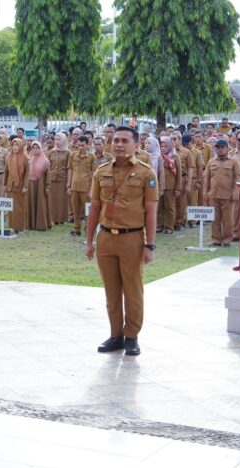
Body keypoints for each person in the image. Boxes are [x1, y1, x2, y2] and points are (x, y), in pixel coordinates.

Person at [85, 126, 158, 357]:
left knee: (133, 291)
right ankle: (115, 335)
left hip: (132, 238)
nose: (118, 144)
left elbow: (151, 211)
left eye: (125, 141)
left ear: (136, 145)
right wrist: (89, 241)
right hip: (106, 238)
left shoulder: (146, 173)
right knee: (112, 291)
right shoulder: (101, 171)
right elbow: (94, 208)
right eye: (115, 140)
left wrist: (150, 245)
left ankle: (131, 336)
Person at [204, 139, 240, 247]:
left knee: (228, 219)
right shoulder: (211, 162)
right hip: (213, 195)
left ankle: (226, 240)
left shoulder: (233, 161)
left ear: (227, 148)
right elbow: (206, 179)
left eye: (222, 147)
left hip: (227, 195)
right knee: (215, 219)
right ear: (215, 149)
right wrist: (205, 193)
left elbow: (238, 177)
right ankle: (216, 240)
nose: (220, 150)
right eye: (218, 147)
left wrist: (236, 191)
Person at [67, 136, 95, 236]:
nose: (80, 147)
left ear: (87, 145)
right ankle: (76, 229)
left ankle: (88, 229)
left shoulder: (91, 157)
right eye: (79, 145)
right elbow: (70, 170)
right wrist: (69, 185)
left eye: (83, 145)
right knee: (75, 209)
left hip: (86, 188)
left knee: (87, 210)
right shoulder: (73, 155)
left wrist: (91, 189)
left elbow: (94, 173)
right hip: (74, 186)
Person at [3, 138, 29, 233]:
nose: (15, 147)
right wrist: (4, 184)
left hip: (20, 186)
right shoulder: (8, 157)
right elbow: (6, 172)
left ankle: (21, 227)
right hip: (10, 185)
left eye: (17, 145)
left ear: (21, 146)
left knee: (20, 207)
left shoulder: (25, 157)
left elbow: (27, 173)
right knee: (11, 207)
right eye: (13, 145)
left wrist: (25, 186)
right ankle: (12, 226)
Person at [158, 136, 182, 234]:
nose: (163, 148)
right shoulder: (158, 156)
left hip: (170, 186)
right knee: (159, 206)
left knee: (169, 206)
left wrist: (178, 188)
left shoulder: (175, 157)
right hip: (159, 186)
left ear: (169, 146)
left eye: (165, 146)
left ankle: (169, 226)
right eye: (161, 146)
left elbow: (179, 173)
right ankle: (159, 225)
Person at [172, 133, 195, 231]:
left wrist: (189, 184)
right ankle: (171, 222)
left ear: (180, 140)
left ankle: (180, 222)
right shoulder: (168, 151)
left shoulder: (186, 152)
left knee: (181, 202)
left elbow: (190, 168)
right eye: (171, 139)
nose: (172, 141)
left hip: (182, 178)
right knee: (171, 202)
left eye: (174, 139)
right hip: (171, 179)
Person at [27, 141, 51, 230]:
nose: (35, 150)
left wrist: (47, 186)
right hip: (30, 184)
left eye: (37, 148)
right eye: (33, 148)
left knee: (41, 203)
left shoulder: (45, 161)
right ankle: (31, 224)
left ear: (41, 149)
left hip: (41, 184)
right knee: (31, 202)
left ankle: (41, 224)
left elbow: (48, 175)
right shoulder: (29, 159)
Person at [47, 133, 70, 225]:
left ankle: (61, 219)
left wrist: (68, 182)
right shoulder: (51, 152)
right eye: (56, 139)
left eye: (59, 139)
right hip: (52, 178)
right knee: (52, 199)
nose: (57, 141)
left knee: (62, 199)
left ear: (63, 140)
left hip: (63, 178)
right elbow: (48, 166)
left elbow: (69, 168)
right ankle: (53, 218)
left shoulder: (67, 152)